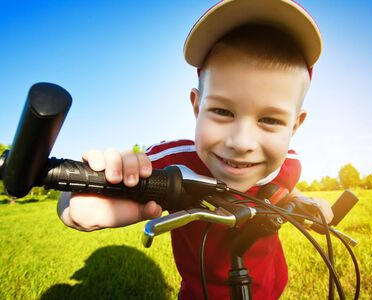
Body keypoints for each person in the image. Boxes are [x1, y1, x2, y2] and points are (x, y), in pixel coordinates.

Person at [58, 0, 334, 299]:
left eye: (269, 120)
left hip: (271, 290)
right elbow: (73, 198)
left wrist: (307, 202)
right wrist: (77, 204)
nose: (241, 142)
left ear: (295, 125)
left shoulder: (286, 164)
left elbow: (284, 190)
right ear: (196, 106)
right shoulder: (172, 163)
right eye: (223, 111)